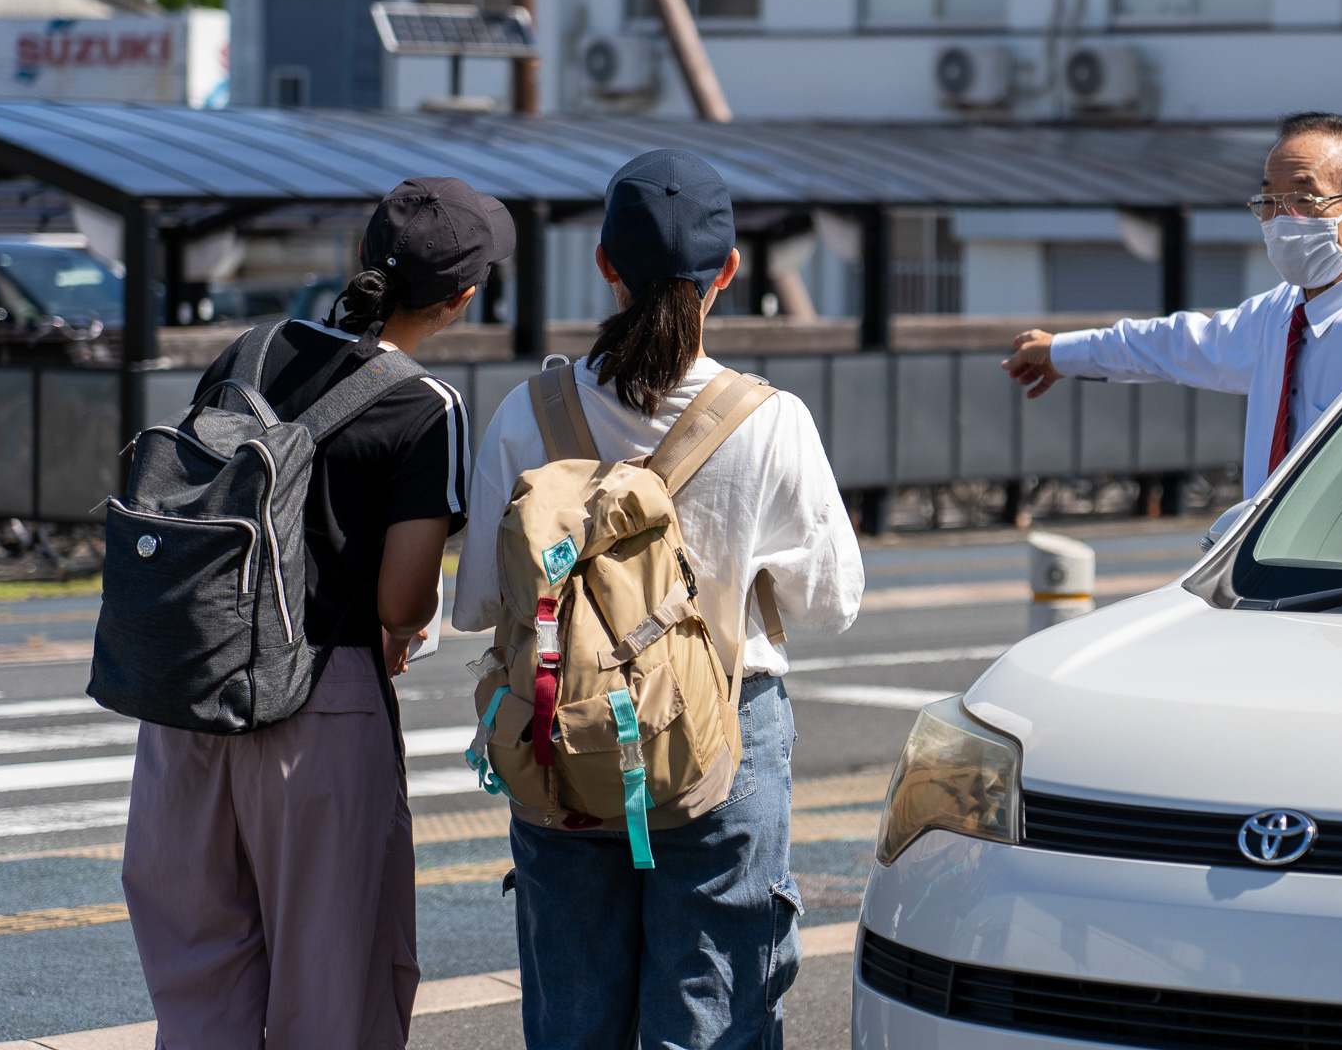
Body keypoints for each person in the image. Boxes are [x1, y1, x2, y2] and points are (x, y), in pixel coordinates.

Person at [452, 149, 863, 1050]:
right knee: (714, 1015)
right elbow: (832, 602)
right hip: (721, 734)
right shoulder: (771, 420)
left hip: (561, 726)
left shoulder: (527, 413)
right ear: (728, 271)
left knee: (574, 1021)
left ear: (605, 262)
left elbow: (478, 603)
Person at [122, 176, 514, 1048]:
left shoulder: (251, 349)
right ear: (462, 298)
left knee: (198, 979)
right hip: (319, 704)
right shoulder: (425, 406)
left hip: (188, 692)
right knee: (335, 986)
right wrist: (405, 627)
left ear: (360, 256)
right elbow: (401, 602)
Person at [1003, 111, 1342, 569]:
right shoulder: (1278, 315)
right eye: (1268, 201)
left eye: (1303, 199)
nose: (1281, 220)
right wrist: (1062, 352)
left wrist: (1305, 560)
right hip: (1268, 592)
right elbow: (1175, 345)